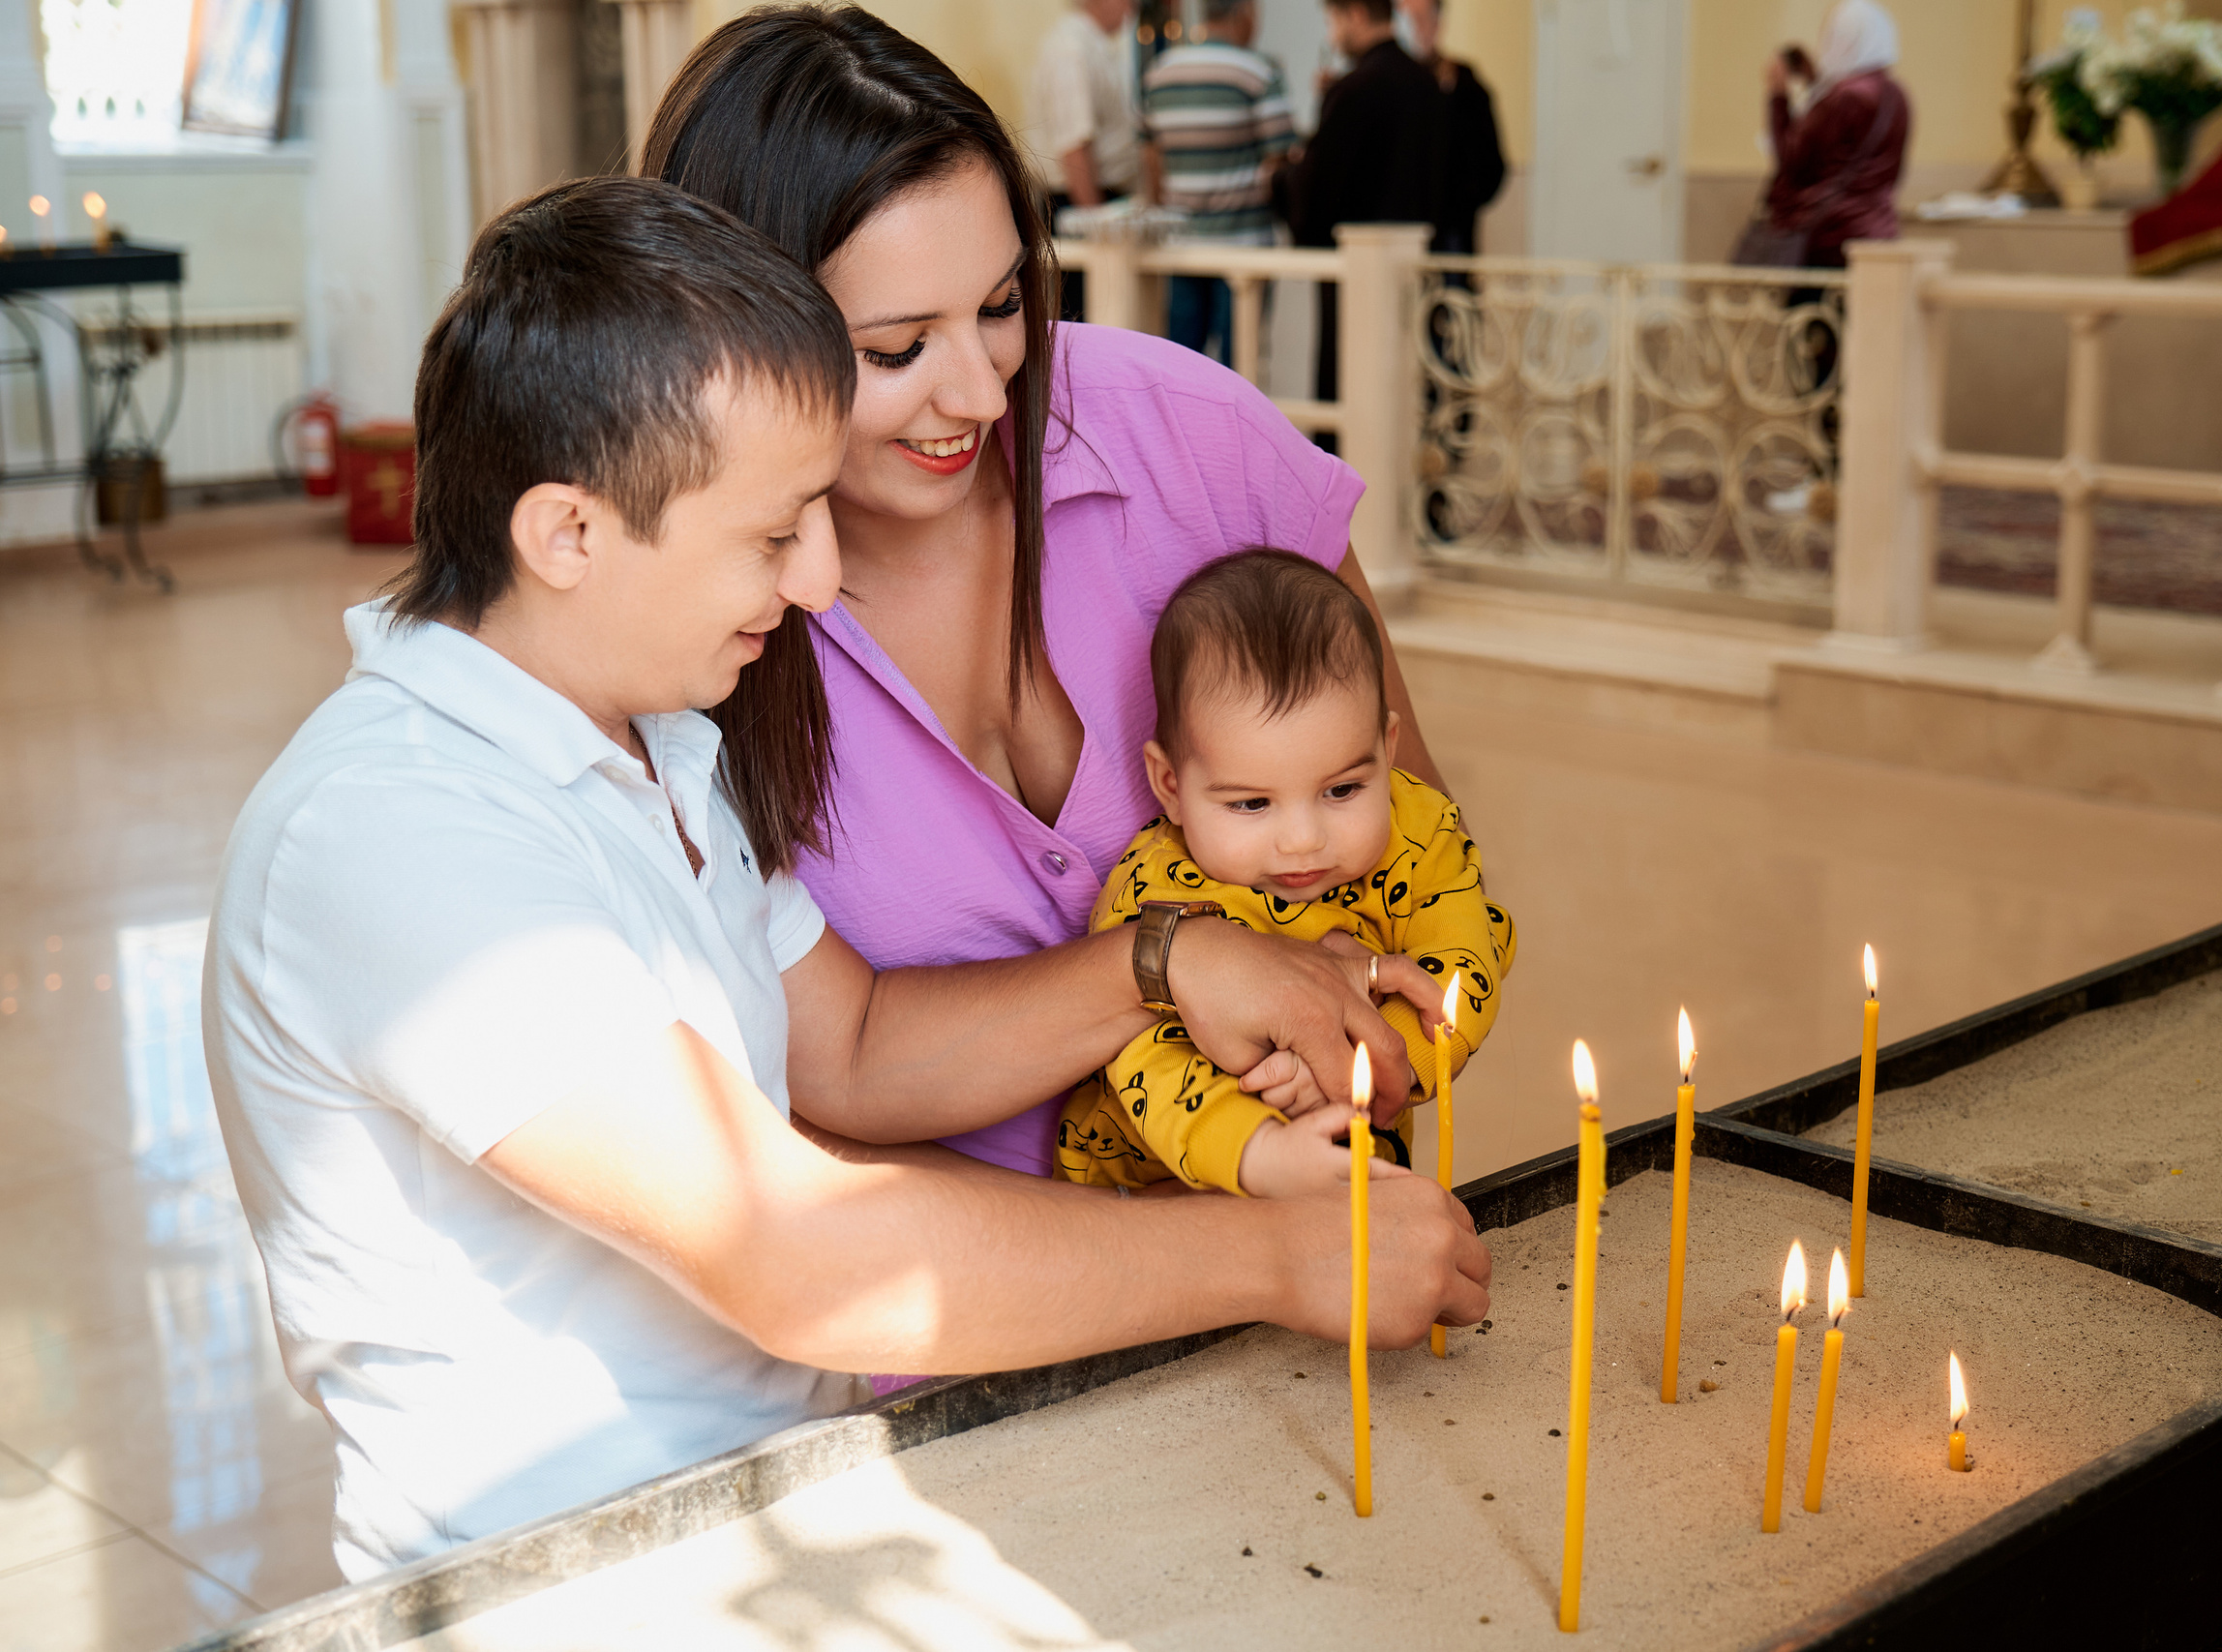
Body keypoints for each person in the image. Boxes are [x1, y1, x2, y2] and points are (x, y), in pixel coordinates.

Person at [204, 177, 1489, 1579]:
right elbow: (794, 1251)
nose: (819, 579)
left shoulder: (651, 745)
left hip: (788, 1513)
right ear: (567, 533)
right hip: (573, 1576)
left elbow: (858, 1044)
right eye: (773, 533)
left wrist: (1164, 960)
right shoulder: (394, 827)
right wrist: (1282, 1256)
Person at [642, 9, 1453, 1188]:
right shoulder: (680, 627)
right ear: (729, 344)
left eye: (1000, 306)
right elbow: (820, 1078)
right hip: (969, 1282)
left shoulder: (1197, 440)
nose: (981, 394)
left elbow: (1414, 841)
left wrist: (1354, 1023)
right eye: (897, 350)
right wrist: (1173, 968)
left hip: (1323, 1235)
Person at [1057, 551, 1516, 1197]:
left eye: (1342, 790)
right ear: (1171, 785)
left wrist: (1365, 1063)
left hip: (1350, 1168)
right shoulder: (1152, 893)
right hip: (1140, 1196)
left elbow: (1467, 962)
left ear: (1387, 750)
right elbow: (1147, 1059)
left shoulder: (1418, 833)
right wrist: (1259, 1149)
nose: (1303, 840)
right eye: (1251, 804)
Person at [1293, 0, 1444, 430]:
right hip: (1416, 267)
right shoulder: (1426, 82)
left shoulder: (1354, 89)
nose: (1331, 35)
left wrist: (1282, 179)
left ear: (1356, 14)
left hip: (1355, 277)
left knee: (1351, 393)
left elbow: (1317, 193)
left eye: (1333, 21)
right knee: (1403, 400)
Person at [1139, 0, 1293, 367]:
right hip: (1245, 246)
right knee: (1240, 364)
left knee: (1182, 361)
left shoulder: (1160, 73)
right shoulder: (1258, 71)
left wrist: (1163, 209)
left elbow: (1151, 158)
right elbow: (1281, 158)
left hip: (1181, 244)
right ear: (1244, 13)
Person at [1741, 0, 1910, 270]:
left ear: (1845, 38)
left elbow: (1792, 160)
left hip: (1828, 236)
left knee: (1806, 300)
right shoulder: (1897, 94)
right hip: (1877, 233)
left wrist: (1778, 93)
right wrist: (1815, 82)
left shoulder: (1843, 97)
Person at [1029, 0, 1140, 320]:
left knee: (1108, 312)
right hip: (1081, 201)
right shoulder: (1070, 49)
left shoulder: (1098, 45)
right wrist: (1095, 225)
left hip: (1100, 201)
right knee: (1086, 315)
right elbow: (1074, 144)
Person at [1396, 0, 1504, 256]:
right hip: (1393, 230)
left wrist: (1459, 203)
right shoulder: (1379, 83)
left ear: (1437, 24)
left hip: (1448, 232)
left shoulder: (1463, 83)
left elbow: (1489, 163)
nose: (1413, 29)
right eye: (1405, 20)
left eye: (1420, 20)